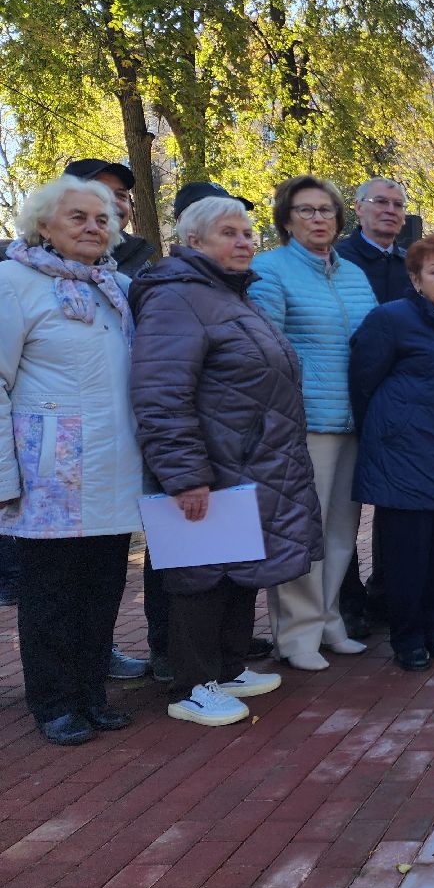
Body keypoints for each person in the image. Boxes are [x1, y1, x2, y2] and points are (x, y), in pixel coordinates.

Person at [130, 186, 322, 725]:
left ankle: (229, 666)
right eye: (229, 234)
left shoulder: (232, 295)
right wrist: (185, 474)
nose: (244, 242)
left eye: (247, 233)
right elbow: (161, 392)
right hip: (209, 466)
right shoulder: (177, 296)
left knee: (238, 570)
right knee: (200, 578)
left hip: (246, 462)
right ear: (192, 241)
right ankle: (194, 687)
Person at [0, 175, 143, 745]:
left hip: (111, 468)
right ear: (43, 226)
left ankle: (90, 693)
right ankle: (54, 703)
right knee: (50, 595)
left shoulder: (118, 287)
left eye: (102, 219)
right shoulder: (13, 282)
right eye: (78, 217)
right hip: (49, 474)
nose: (93, 227)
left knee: (103, 588)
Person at [251, 175, 378, 671]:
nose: (319, 218)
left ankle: (329, 622)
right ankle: (296, 635)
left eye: (326, 210)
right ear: (286, 219)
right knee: (302, 532)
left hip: (352, 422)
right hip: (303, 424)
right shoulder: (270, 269)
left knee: (341, 531)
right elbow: (266, 351)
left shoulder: (352, 274)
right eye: (306, 210)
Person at [350, 234, 434, 671]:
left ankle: (433, 628)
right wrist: (392, 432)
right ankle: (406, 637)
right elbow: (364, 383)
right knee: (408, 556)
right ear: (415, 277)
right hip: (405, 458)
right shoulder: (392, 319)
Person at [63, 158, 157, 678]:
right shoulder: (20, 275)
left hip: (122, 445)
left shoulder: (132, 270)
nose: (113, 205)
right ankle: (61, 688)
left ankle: (96, 657)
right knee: (57, 582)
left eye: (121, 196)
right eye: (102, 195)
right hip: (57, 456)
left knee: (106, 569)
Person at [334, 177, 411, 640]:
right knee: (342, 509)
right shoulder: (339, 261)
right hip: (346, 398)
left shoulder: (408, 264)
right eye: (379, 202)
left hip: (401, 404)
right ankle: (346, 600)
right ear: (358, 209)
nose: (389, 210)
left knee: (393, 504)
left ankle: (385, 591)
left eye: (397, 204)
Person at [62, 159, 156, 278]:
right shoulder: (35, 262)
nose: (113, 201)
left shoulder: (141, 264)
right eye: (100, 192)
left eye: (121, 195)